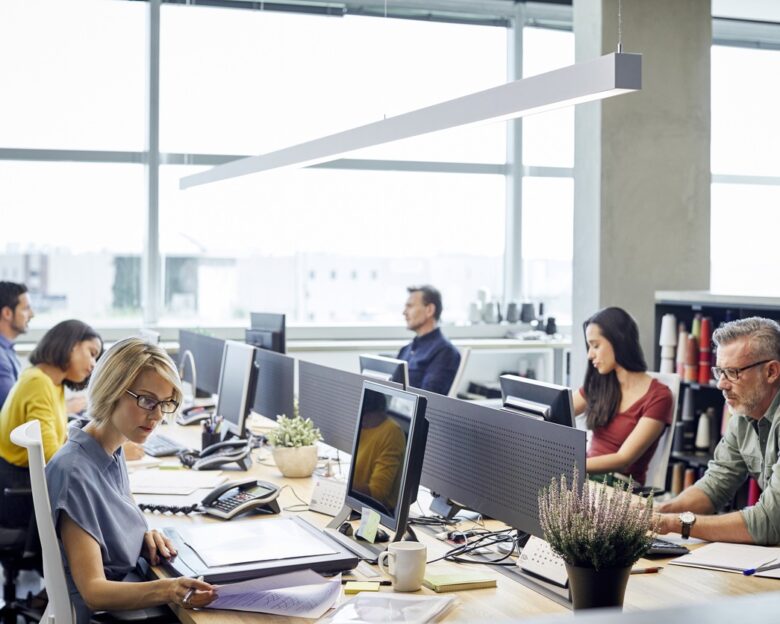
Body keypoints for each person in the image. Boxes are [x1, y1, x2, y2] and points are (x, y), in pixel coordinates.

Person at [45, 338, 216, 623]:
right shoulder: (74, 472)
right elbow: (94, 591)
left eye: (165, 403)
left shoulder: (109, 449)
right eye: (147, 401)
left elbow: (114, 521)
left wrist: (143, 536)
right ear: (111, 391)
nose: (158, 415)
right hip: (111, 614)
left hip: (130, 592)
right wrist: (170, 589)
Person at [656, 317, 780, 545]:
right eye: (719, 372)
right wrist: (660, 512)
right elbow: (716, 484)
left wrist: (672, 523)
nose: (721, 384)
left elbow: (770, 522)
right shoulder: (743, 416)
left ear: (771, 372)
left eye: (733, 372)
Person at [0, 319, 101, 529]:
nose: (93, 364)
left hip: (25, 483)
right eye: (92, 353)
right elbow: (54, 459)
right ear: (72, 344)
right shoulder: (39, 383)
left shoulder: (53, 383)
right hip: (18, 492)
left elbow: (60, 441)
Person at [572, 307, 673, 485]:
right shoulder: (600, 385)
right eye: (589, 347)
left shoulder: (659, 397)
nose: (590, 354)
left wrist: (572, 466)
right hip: (586, 479)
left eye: (595, 345)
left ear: (618, 341)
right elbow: (557, 409)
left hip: (620, 487)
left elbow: (623, 459)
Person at [397, 285, 461, 395]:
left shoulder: (445, 352)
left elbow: (428, 398)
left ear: (429, 310)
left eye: (410, 306)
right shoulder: (406, 349)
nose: (404, 312)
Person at [351, 389, 407, 512]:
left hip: (372, 511)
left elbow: (378, 494)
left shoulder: (392, 433)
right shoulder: (364, 427)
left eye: (364, 418)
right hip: (353, 502)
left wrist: (346, 485)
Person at [0, 281, 34, 408]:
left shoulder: (7, 350)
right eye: (26, 309)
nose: (32, 315)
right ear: (7, 313)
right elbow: (12, 407)